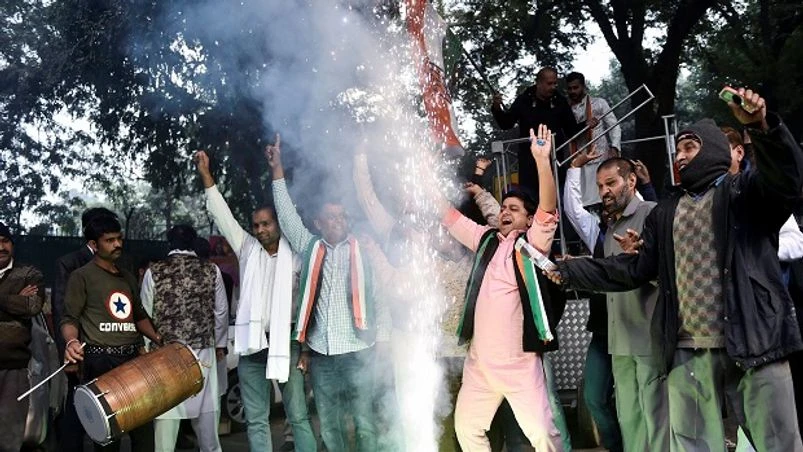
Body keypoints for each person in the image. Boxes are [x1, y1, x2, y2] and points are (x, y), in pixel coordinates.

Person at [550, 88, 803, 451]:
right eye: (678, 149)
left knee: (777, 442)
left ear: (715, 149)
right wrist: (572, 272)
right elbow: (634, 269)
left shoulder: (745, 194)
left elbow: (787, 178)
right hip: (688, 349)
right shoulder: (666, 211)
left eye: (689, 147)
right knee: (691, 443)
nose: (679, 156)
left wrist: (764, 127)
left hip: (755, 340)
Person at [436, 125, 562, 451]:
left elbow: (548, 209)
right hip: (479, 365)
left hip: (519, 364)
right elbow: (449, 217)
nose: (505, 211)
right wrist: (423, 176)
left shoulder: (532, 245)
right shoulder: (486, 241)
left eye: (514, 209)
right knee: (467, 430)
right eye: (503, 207)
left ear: (528, 219)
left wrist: (542, 161)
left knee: (544, 435)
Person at [269, 135, 389, 452]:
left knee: (364, 421)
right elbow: (286, 214)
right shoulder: (310, 247)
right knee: (330, 424)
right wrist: (277, 170)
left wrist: (383, 343)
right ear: (318, 223)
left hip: (357, 351)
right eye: (330, 217)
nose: (337, 222)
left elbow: (379, 299)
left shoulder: (363, 251)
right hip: (321, 356)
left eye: (341, 216)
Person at [194, 151, 315, 452]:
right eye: (256, 225)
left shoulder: (298, 255)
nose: (260, 230)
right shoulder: (247, 249)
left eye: (266, 224)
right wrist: (206, 175)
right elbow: (222, 215)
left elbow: (309, 305)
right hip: (252, 345)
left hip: (287, 342)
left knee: (297, 416)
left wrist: (306, 348)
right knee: (256, 419)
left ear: (278, 223)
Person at [564, 150, 667, 452]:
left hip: (649, 339)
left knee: (656, 418)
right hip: (618, 341)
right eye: (599, 185)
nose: (604, 191)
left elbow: (667, 272)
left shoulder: (652, 213)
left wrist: (642, 258)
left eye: (610, 183)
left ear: (631, 180)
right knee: (629, 418)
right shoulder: (608, 229)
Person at [61, 214, 162, 452]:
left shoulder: (127, 276)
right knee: (109, 436)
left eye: (119, 239)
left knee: (144, 431)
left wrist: (159, 339)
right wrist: (71, 342)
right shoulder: (81, 276)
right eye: (109, 240)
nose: (117, 244)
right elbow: (69, 318)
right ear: (94, 245)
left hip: (133, 360)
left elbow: (139, 316)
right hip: (100, 362)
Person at [140, 225, 229, 452]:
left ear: (169, 243)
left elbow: (144, 313)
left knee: (166, 424)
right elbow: (221, 312)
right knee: (208, 418)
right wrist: (220, 344)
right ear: (194, 242)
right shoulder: (211, 270)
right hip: (203, 353)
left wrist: (146, 346)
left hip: (165, 355)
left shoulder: (154, 271)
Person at [52, 207, 119, 451]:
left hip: (112, 353)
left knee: (110, 413)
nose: (115, 241)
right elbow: (62, 311)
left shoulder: (120, 262)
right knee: (76, 413)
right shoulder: (69, 263)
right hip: (80, 354)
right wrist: (68, 352)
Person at [491, 67, 584, 198]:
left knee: (557, 198)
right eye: (549, 83)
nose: (553, 87)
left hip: (554, 160)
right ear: (538, 83)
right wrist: (497, 108)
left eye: (555, 83)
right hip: (529, 162)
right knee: (530, 199)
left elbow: (571, 130)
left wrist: (587, 124)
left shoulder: (559, 101)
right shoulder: (524, 100)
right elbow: (506, 123)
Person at [0, 222, 45, 452]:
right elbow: (22, 304)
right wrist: (12, 299)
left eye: (5, 241)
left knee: (10, 439)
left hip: (14, 368)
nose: (1, 247)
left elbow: (33, 305)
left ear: (12, 245)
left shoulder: (29, 273)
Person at [565, 71, 622, 207]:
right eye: (570, 88)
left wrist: (614, 147)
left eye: (576, 87)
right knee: (584, 204)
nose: (573, 91)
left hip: (601, 158)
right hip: (580, 161)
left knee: (605, 198)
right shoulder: (566, 111)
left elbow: (614, 126)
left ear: (583, 87)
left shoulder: (599, 103)